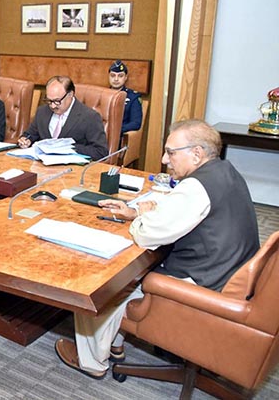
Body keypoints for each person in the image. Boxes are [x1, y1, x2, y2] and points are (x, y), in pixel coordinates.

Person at [55, 119, 260, 380]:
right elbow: (183, 216)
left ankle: (91, 361)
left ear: (196, 154)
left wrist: (144, 216)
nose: (164, 159)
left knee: (101, 283)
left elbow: (146, 235)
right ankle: (114, 344)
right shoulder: (225, 170)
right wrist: (142, 211)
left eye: (171, 152)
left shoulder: (195, 188)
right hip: (228, 272)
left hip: (202, 285)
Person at [18, 75, 109, 160]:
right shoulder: (42, 112)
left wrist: (70, 148)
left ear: (70, 94)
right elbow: (30, 134)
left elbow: (101, 152)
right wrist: (26, 140)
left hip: (71, 171)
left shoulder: (90, 117)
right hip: (41, 166)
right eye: (49, 101)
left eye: (57, 101)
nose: (53, 106)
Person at [109, 60, 143, 135]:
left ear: (125, 77)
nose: (116, 79)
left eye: (120, 76)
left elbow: (136, 123)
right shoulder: (102, 95)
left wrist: (116, 129)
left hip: (118, 135)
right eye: (113, 75)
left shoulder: (133, 97)